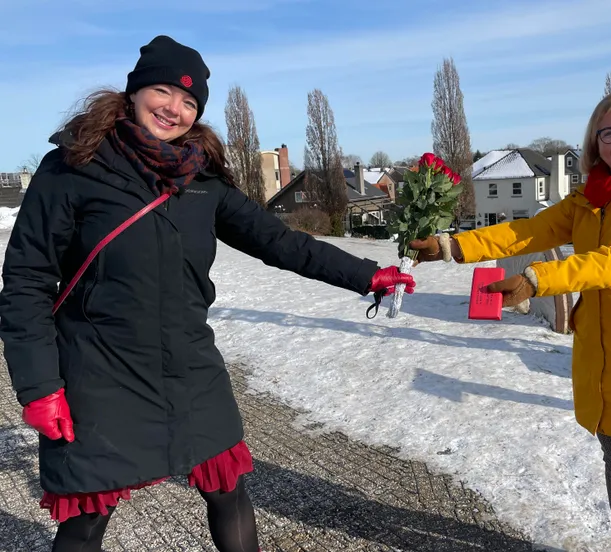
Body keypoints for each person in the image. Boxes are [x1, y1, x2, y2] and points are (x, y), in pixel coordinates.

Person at [0, 35, 414, 552]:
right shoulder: (73, 168)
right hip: (100, 369)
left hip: (189, 365)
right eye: (164, 91)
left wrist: (367, 275)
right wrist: (39, 386)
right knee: (87, 516)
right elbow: (26, 283)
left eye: (189, 102)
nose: (174, 108)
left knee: (228, 490)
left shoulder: (200, 179)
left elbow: (279, 241)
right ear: (133, 93)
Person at [410, 90, 611, 551]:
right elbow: (528, 230)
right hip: (603, 349)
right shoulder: (591, 197)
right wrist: (453, 246)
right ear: (594, 143)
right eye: (608, 132)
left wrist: (536, 278)